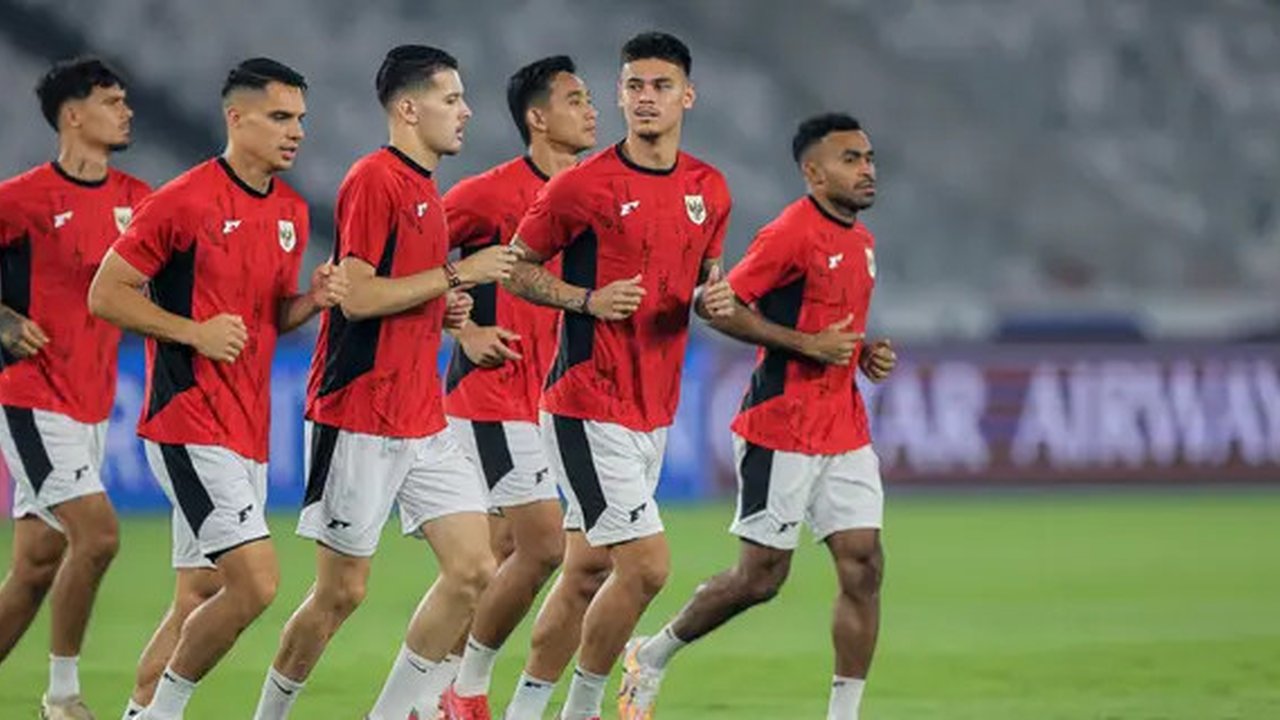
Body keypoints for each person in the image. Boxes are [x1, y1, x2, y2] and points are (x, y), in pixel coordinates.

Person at [250, 45, 518, 720]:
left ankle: (394, 713)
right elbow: (360, 297)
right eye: (451, 99)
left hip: (419, 414)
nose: (466, 112)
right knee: (341, 594)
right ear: (408, 108)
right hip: (360, 412)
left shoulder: (425, 189)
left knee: (476, 568)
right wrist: (461, 276)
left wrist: (446, 313)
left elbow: (403, 293)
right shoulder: (375, 179)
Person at [88, 57, 347, 720]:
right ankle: (165, 711)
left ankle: (138, 713)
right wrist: (193, 332)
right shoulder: (183, 201)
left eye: (301, 120)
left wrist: (309, 303)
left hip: (247, 432)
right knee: (257, 584)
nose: (296, 132)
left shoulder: (290, 210)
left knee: (198, 595)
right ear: (236, 118)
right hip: (188, 422)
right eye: (280, 117)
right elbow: (106, 294)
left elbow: (266, 318)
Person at [616, 113, 897, 720]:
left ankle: (843, 713)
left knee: (864, 563)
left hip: (844, 427)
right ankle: (653, 653)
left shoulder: (863, 243)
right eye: (851, 159)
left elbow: (832, 328)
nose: (868, 169)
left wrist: (863, 352)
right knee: (761, 578)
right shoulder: (790, 233)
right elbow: (719, 307)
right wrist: (806, 344)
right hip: (782, 426)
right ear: (813, 172)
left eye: (869, 157)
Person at [502, 31, 732, 720]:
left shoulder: (709, 189)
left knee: (585, 573)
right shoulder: (583, 185)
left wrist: (710, 300)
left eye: (660, 86)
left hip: (651, 408)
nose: (645, 98)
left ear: (686, 96)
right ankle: (586, 707)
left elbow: (703, 280)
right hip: (584, 401)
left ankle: (521, 709)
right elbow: (515, 265)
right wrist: (586, 301)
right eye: (633, 86)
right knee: (648, 567)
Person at [437, 54, 598, 720]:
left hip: (554, 403)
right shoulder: (485, 193)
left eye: (591, 98)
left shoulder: (594, 193)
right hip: (492, 394)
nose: (592, 110)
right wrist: (464, 330)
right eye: (575, 99)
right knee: (543, 548)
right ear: (537, 118)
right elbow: (405, 259)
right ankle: (465, 692)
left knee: (498, 558)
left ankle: (427, 693)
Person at [0, 56, 149, 720]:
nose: (127, 111)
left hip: (92, 403)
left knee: (35, 567)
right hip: (32, 397)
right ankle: (62, 699)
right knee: (99, 535)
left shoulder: (140, 200)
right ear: (73, 115)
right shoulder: (21, 200)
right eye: (112, 101)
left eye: (126, 100)